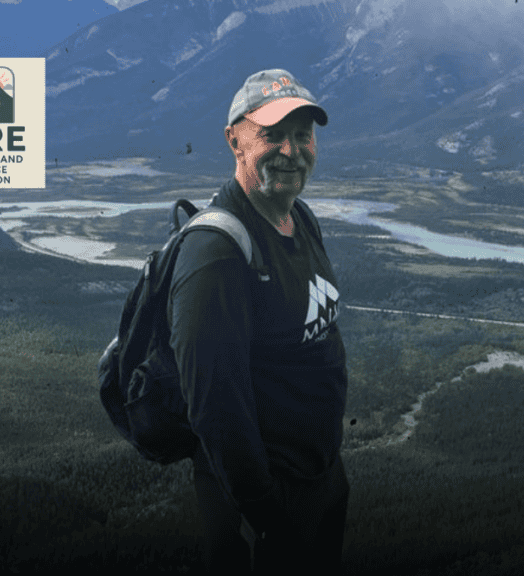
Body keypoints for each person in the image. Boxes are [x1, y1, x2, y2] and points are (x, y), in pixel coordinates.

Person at [167, 69, 349, 574]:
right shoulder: (216, 252)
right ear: (235, 141)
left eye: (302, 135)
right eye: (272, 135)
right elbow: (214, 404)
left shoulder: (299, 217)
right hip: (263, 510)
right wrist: (266, 515)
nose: (291, 151)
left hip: (319, 480)